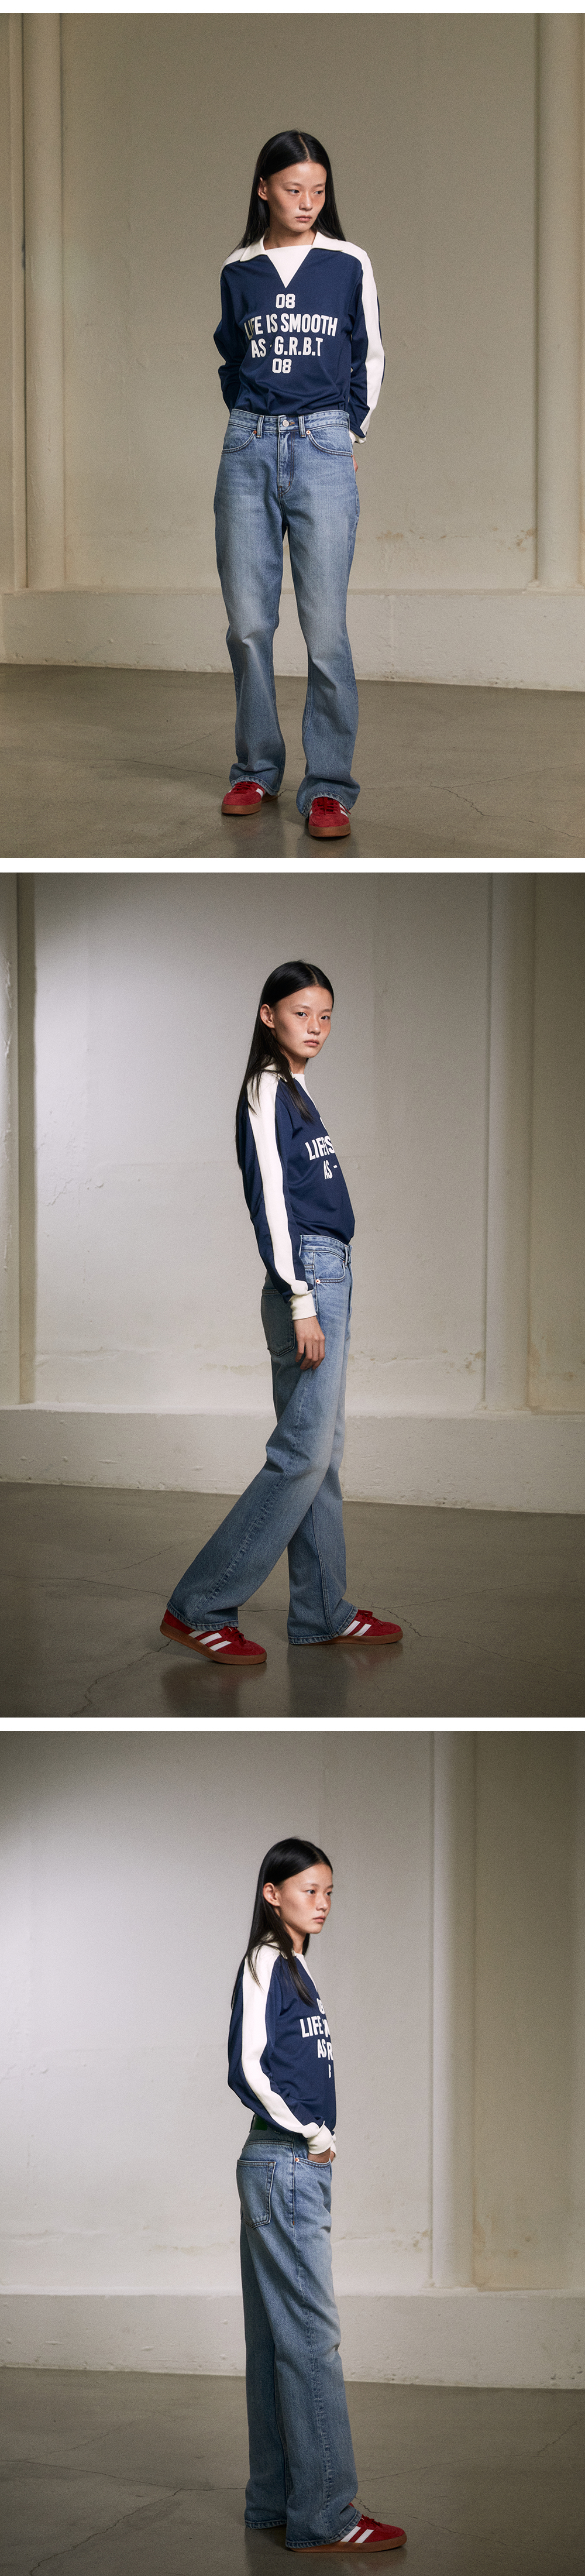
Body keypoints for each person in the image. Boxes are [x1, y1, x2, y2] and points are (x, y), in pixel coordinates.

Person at [160, 960, 402, 1667]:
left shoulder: (297, 1089)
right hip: (309, 1278)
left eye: (326, 1016)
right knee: (301, 1455)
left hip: (330, 1272)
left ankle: (321, 1609)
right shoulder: (266, 1088)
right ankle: (199, 1605)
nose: (316, 1027)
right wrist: (301, 1299)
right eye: (302, 1013)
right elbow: (271, 1203)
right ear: (268, 1016)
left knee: (321, 1456)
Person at [228, 1836, 407, 2553]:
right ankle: (329, 2515)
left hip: (281, 2166)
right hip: (285, 2163)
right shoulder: (267, 1960)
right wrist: (310, 2131)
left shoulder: (297, 1969)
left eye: (329, 1891)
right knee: (311, 2339)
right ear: (273, 1894)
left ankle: (276, 2502)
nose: (323, 1903)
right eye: (310, 1890)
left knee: (278, 2339)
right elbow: (246, 2067)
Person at [214, 130, 384, 842]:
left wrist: (347, 434)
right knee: (249, 625)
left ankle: (329, 787)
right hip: (248, 446)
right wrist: (251, 424)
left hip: (321, 445)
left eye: (318, 190)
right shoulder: (239, 269)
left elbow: (368, 352)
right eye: (293, 189)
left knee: (325, 631)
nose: (307, 202)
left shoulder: (347, 262)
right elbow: (232, 356)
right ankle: (255, 768)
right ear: (264, 189)